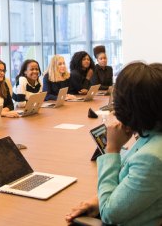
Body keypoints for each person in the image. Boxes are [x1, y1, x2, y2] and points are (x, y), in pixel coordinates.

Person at [66, 62, 162, 226]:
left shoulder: (151, 157)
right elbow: (131, 180)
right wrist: (98, 200)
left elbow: (109, 214)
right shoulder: (152, 136)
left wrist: (112, 149)